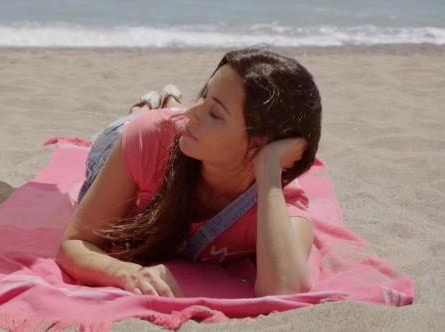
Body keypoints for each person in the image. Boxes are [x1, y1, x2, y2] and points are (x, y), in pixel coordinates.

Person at [56, 47, 322, 298]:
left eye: (215, 113)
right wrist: (126, 273)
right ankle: (142, 109)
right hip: (125, 140)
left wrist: (268, 167)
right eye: (204, 96)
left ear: (262, 144)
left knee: (173, 117)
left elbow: (284, 289)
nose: (192, 112)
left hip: (179, 136)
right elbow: (75, 243)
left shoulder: (277, 198)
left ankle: (165, 102)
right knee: (141, 122)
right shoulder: (147, 139)